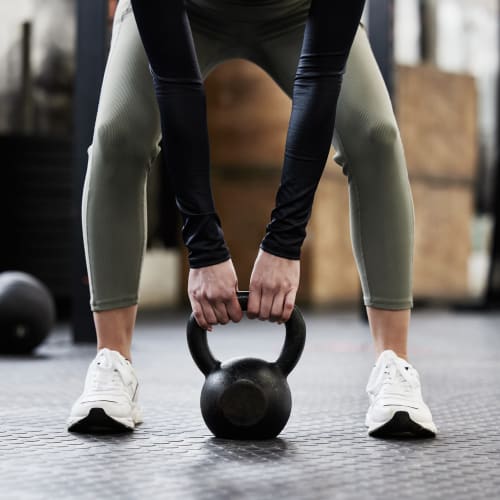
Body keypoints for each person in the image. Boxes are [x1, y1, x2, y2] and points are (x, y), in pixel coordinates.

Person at [67, 0, 437, 438]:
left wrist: (284, 241)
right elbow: (175, 81)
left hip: (299, 11)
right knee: (118, 134)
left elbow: (319, 77)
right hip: (186, 9)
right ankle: (113, 364)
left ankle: (393, 365)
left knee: (375, 135)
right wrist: (203, 246)